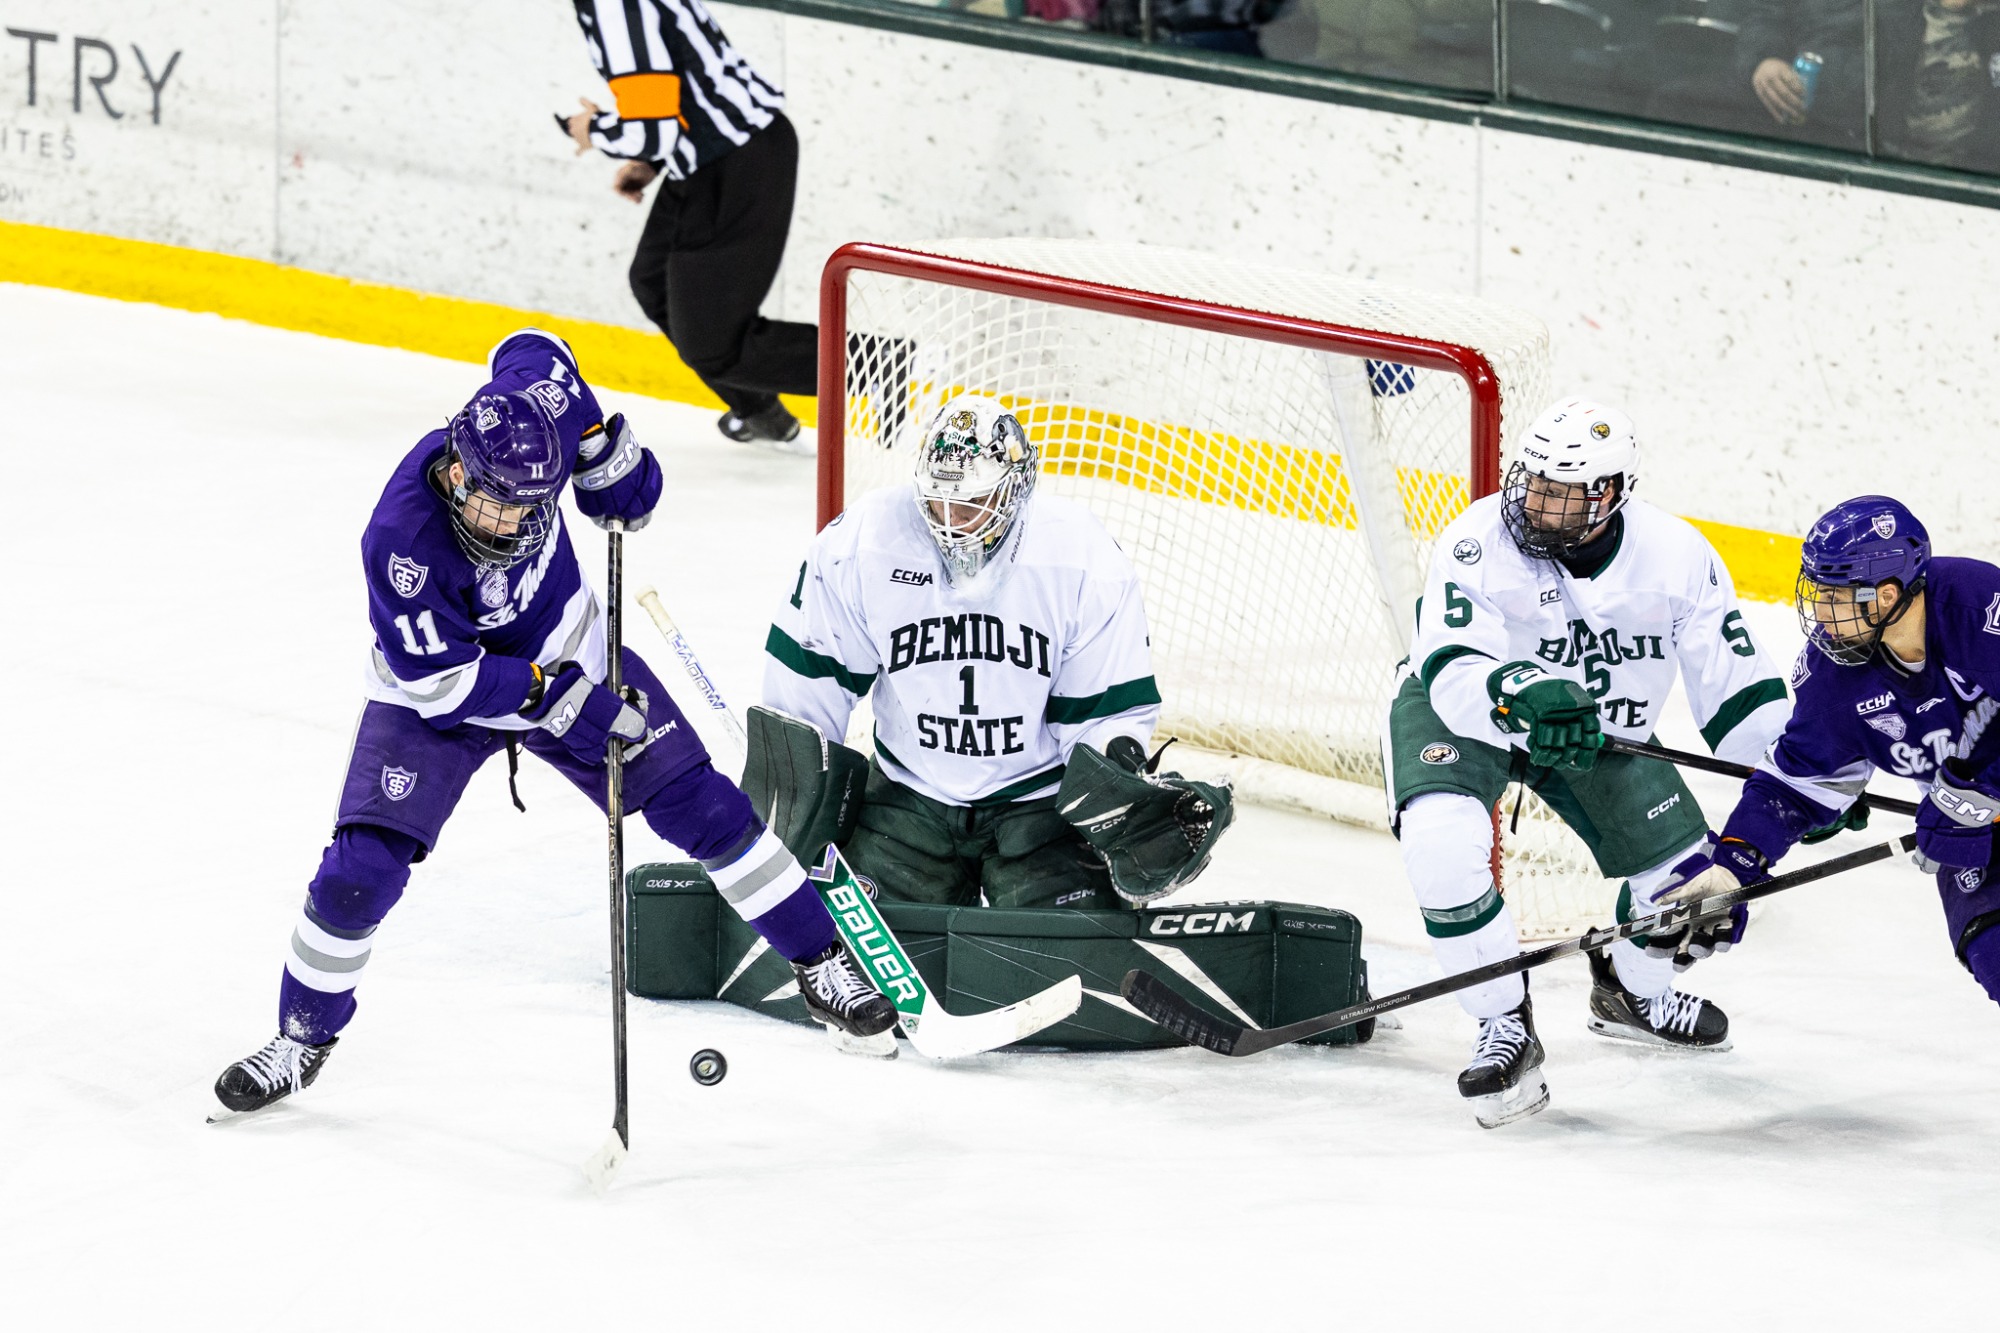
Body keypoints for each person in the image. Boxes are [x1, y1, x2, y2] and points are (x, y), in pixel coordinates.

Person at [212, 329, 894, 1116]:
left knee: (704, 804)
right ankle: (301, 1040)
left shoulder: (540, 405)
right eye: (491, 502)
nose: (507, 521)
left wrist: (607, 453)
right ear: (458, 465)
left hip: (569, 644)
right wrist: (566, 702)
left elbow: (533, 343)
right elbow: (446, 684)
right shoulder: (401, 543)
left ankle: (822, 961)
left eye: (526, 505)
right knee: (359, 870)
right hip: (439, 695)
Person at [1385, 397, 1791, 1127]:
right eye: (1530, 481)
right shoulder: (1477, 539)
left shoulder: (1677, 557)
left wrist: (1805, 773)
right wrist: (1520, 693)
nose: (1531, 501)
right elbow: (1448, 665)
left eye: (1558, 491)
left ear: (1608, 496)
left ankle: (1632, 993)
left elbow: (1735, 690)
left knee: (1692, 894)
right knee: (1441, 843)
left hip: (1591, 735)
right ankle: (1502, 1022)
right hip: (1464, 710)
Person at [750, 394, 1233, 913]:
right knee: (847, 942)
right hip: (908, 800)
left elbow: (1103, 709)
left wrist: (1118, 793)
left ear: (1014, 488)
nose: (952, 521)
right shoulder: (864, 542)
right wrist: (793, 792)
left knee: (1074, 958)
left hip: (1040, 810)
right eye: (939, 502)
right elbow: (809, 678)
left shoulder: (1078, 556)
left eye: (971, 503)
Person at [1667, 497, 2000, 1010]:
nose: (1821, 614)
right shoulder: (1832, 675)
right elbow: (1798, 781)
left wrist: (1980, 791)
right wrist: (1734, 864)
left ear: (1887, 594)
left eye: (1836, 597)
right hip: (1976, 836)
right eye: (1817, 593)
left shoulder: (1981, 608)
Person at [561, 0, 815, 447]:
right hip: (704, 163)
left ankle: (878, 366)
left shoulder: (614, 8)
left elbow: (653, 126)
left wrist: (593, 130)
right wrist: (652, 162)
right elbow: (678, 90)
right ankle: (759, 409)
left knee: (713, 343)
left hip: (739, 162)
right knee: (653, 282)